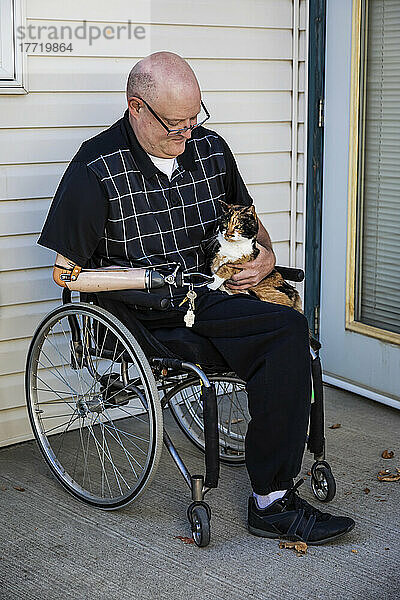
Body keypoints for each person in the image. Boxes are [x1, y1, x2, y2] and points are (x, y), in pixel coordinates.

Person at [38, 51, 355, 545]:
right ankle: (272, 498)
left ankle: (271, 497)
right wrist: (142, 280)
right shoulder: (95, 168)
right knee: (279, 335)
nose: (188, 133)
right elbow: (68, 273)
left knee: (289, 331)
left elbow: (246, 214)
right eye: (175, 123)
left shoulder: (210, 148)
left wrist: (267, 257)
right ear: (136, 108)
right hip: (142, 312)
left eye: (195, 117)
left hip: (209, 292)